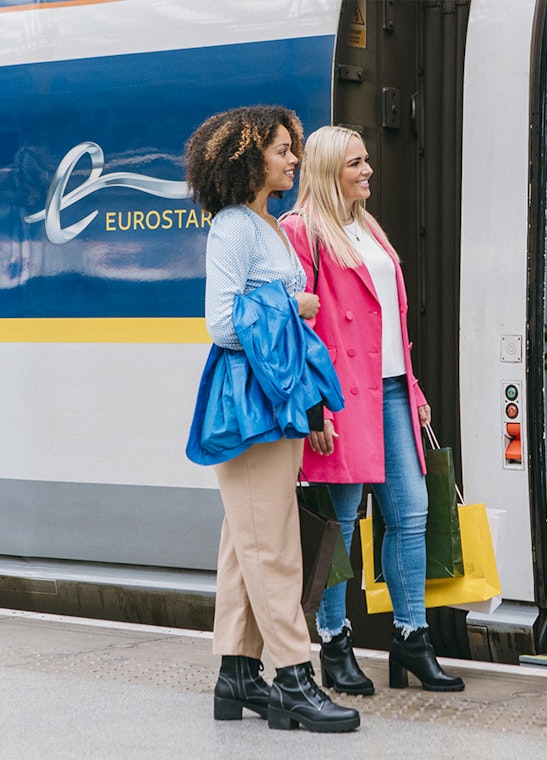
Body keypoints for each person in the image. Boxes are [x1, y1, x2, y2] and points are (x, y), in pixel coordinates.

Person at [184, 106, 360, 733]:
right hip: (247, 404)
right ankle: (291, 678)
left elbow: (289, 335)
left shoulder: (269, 227)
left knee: (244, 544)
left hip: (276, 399)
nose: (293, 158)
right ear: (249, 157)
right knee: (274, 547)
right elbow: (223, 322)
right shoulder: (234, 227)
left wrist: (313, 406)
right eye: (283, 149)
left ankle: (235, 676)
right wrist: (293, 302)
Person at [279, 125, 464, 695]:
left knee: (410, 510)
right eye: (356, 163)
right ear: (331, 170)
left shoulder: (367, 229)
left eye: (367, 161)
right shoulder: (302, 232)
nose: (368, 171)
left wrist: (415, 390)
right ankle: (334, 642)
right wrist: (316, 409)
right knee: (337, 524)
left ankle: (412, 639)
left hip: (389, 391)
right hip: (339, 398)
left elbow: (392, 323)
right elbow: (300, 326)